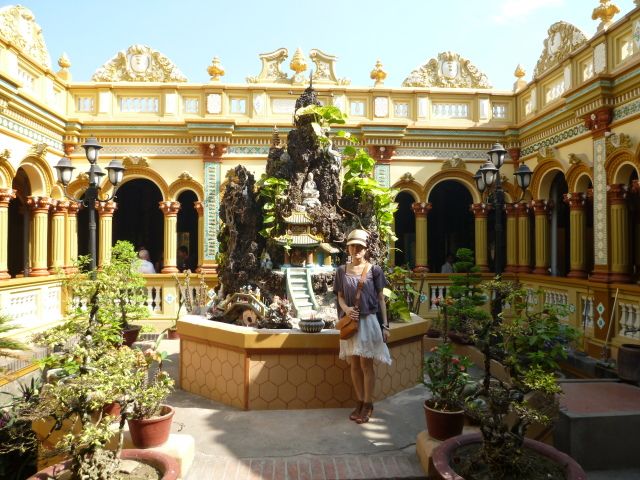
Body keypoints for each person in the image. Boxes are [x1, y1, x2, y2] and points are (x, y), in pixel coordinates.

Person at [334, 229, 391, 424]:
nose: (356, 249)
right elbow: (340, 296)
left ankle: (368, 404)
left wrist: (385, 326)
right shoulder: (341, 271)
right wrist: (346, 309)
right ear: (348, 248)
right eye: (353, 246)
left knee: (366, 365)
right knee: (354, 364)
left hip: (368, 322)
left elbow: (381, 299)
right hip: (350, 323)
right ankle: (359, 402)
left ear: (366, 249)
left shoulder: (374, 270)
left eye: (360, 246)